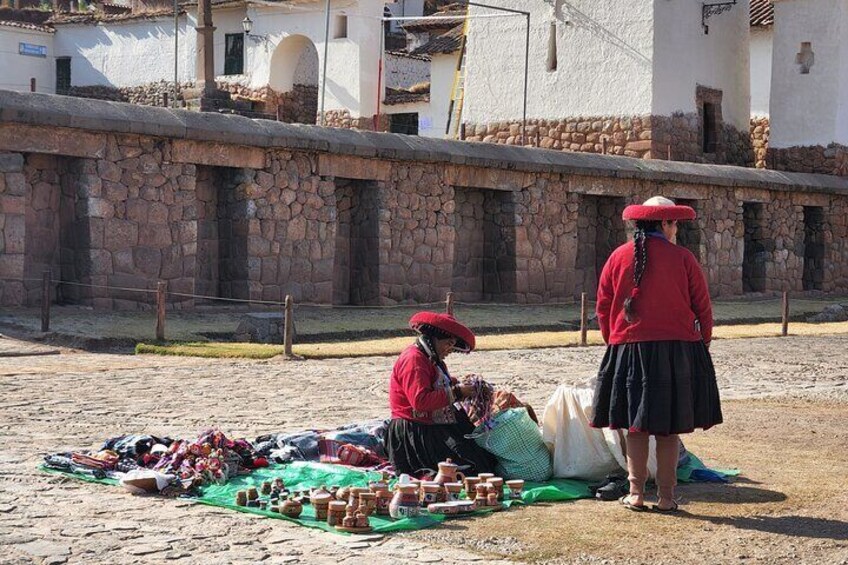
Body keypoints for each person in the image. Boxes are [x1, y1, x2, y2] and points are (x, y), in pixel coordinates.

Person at [590, 196, 722, 512]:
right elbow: (702, 306)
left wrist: (616, 342)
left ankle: (635, 494)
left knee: (635, 426)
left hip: (629, 350)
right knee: (668, 428)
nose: (676, 229)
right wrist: (702, 342)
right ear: (664, 223)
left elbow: (603, 306)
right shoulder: (684, 259)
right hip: (675, 351)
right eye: (674, 223)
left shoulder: (617, 257)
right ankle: (665, 498)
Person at [385, 312, 497, 477]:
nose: (451, 349)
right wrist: (457, 392)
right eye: (449, 344)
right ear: (434, 339)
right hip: (415, 431)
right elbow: (420, 401)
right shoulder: (414, 360)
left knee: (484, 460)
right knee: (466, 468)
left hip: (433, 425)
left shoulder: (432, 359)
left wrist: (460, 386)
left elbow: (436, 383)